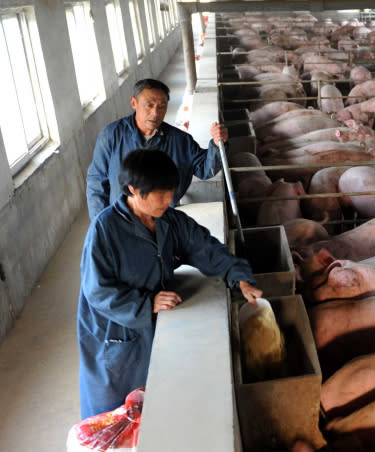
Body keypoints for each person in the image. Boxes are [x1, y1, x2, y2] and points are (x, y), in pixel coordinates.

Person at [77, 148, 262, 419]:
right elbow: (97, 291)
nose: (169, 199)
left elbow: (205, 248)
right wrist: (146, 304)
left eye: (171, 191)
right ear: (133, 190)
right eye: (160, 194)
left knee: (155, 404)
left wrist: (239, 277)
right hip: (116, 331)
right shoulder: (105, 231)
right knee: (115, 415)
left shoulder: (169, 220)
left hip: (150, 322)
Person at [86, 78, 229, 220]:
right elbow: (97, 182)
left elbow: (205, 169)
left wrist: (217, 145)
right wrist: (102, 222)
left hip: (163, 220)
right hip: (123, 219)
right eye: (149, 105)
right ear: (134, 103)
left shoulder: (180, 140)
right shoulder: (112, 135)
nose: (155, 113)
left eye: (161, 106)